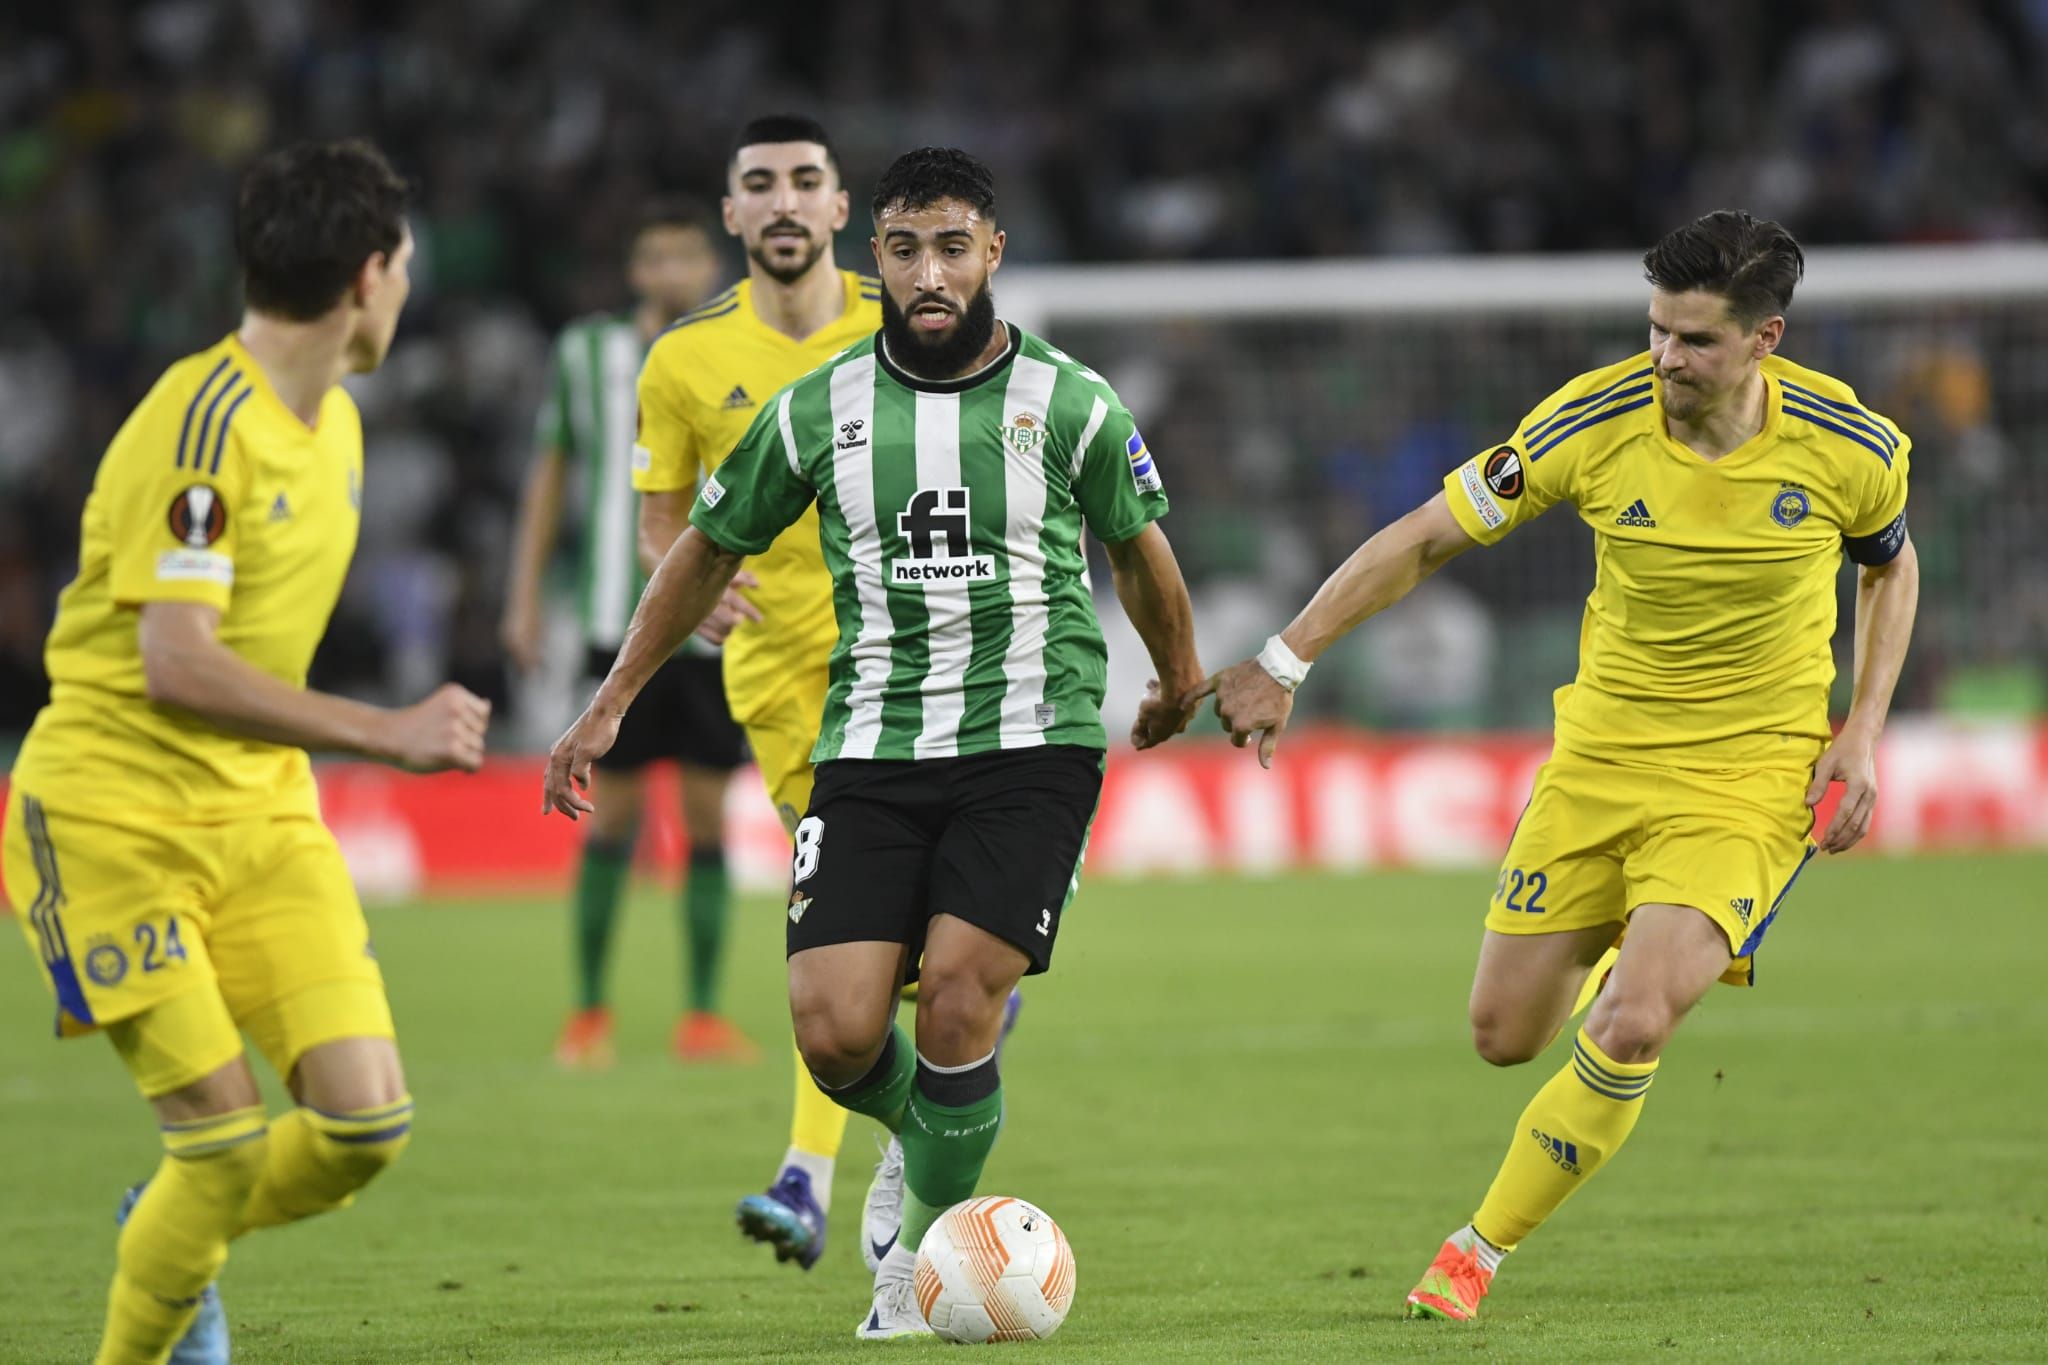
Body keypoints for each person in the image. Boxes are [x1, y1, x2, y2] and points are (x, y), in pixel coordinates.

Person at [1199, 209, 1918, 1323]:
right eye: (1654, 333)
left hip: (1748, 774)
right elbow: (1428, 534)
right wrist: (1283, 660)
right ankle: (1625, 952)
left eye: (1694, 341)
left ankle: (1472, 1252)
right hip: (1599, 759)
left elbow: (1889, 566)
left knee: (1632, 1024)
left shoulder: (1848, 447)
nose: (1665, 360)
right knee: (1502, 1038)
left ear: (1764, 338)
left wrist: (1861, 727)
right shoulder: (1592, 419)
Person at [546, 145, 1205, 1339]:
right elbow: (702, 547)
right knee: (838, 1029)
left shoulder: (1070, 401)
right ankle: (931, 1129)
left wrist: (1176, 680)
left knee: (956, 1000)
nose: (929, 271)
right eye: (904, 250)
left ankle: (909, 1268)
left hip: (1030, 740)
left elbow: (1139, 550)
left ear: (992, 252)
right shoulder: (821, 407)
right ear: (877, 261)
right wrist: (610, 701)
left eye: (953, 245)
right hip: (872, 744)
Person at [1, 140, 490, 1365]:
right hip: (112, 820)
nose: (409, 286)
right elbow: (177, 660)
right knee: (218, 1143)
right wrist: (386, 731)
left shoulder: (333, 424)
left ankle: (170, 1225)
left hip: (259, 821)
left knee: (362, 1126)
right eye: (408, 264)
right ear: (371, 274)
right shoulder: (203, 427)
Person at [631, 115, 1018, 1274]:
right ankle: (879, 1133)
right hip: (785, 677)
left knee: (904, 945)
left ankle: (826, 1161)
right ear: (732, 216)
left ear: (842, 208)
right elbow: (662, 511)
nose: (786, 201)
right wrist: (685, 589)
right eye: (761, 185)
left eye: (807, 180)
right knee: (863, 938)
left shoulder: (909, 307)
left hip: (926, 659)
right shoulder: (681, 364)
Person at [501, 198, 755, 1066]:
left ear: (709, 266)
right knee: (611, 816)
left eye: (689, 257)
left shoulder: (742, 343)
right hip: (618, 614)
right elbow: (549, 474)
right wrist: (524, 595)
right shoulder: (588, 354)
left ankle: (703, 1013)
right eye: (657, 259)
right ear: (636, 273)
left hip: (718, 620)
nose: (674, 274)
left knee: (708, 816)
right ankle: (589, 1009)